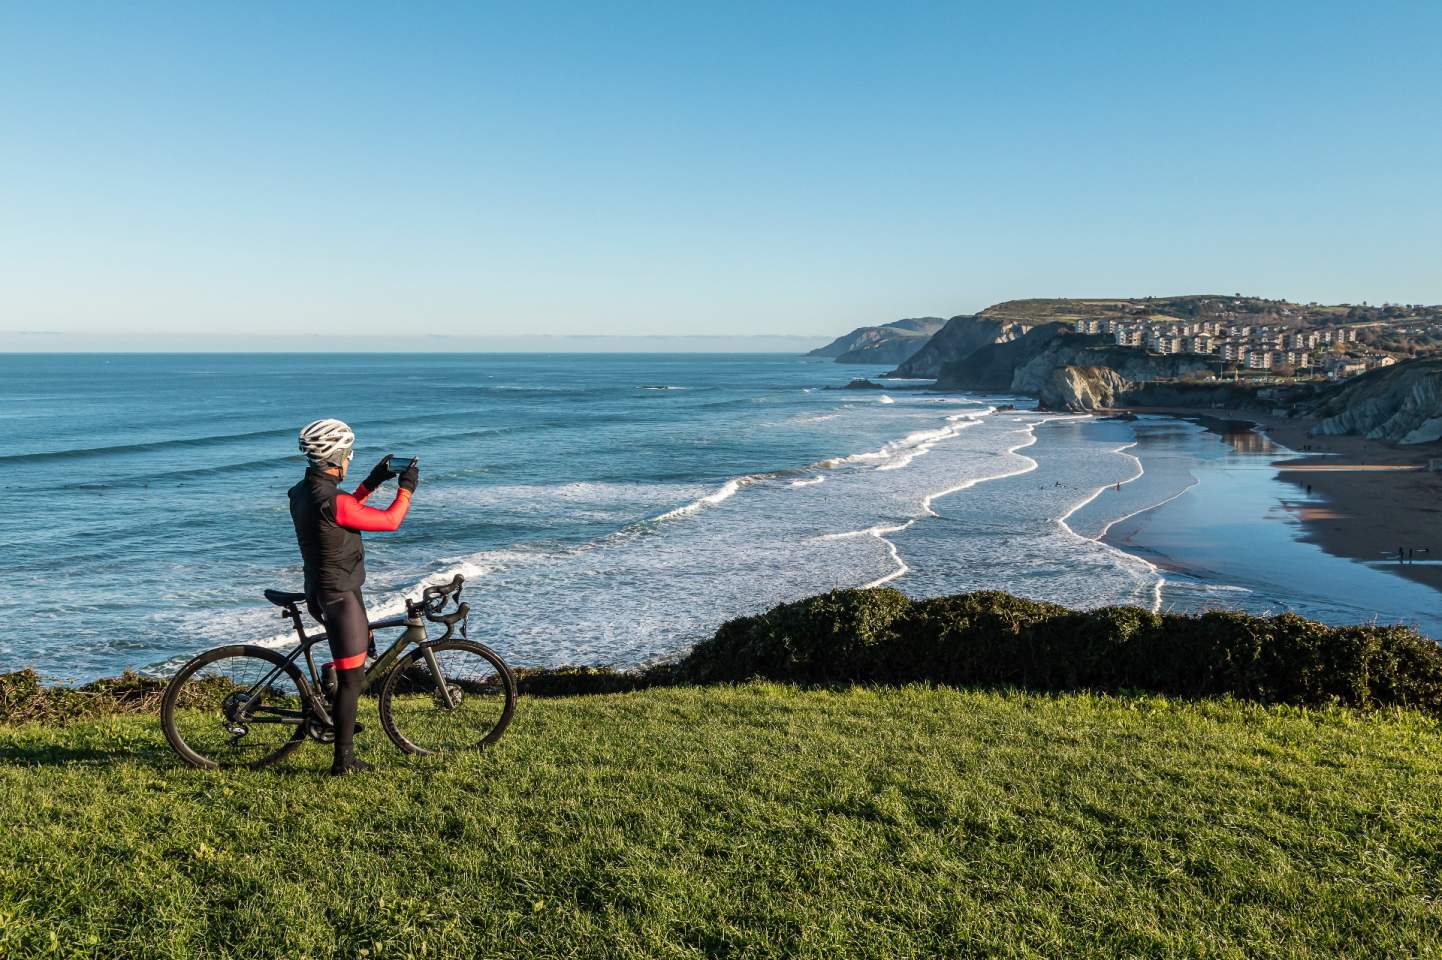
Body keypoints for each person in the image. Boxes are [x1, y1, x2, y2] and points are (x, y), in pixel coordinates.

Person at [289, 418, 419, 775]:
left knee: (357, 655)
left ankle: (331, 697)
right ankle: (343, 761)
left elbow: (342, 511)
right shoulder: (333, 499)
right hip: (339, 595)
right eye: (349, 454)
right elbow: (390, 521)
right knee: (353, 681)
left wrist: (373, 481)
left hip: (324, 589)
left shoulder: (303, 492)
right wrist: (406, 488)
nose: (350, 460)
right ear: (337, 455)